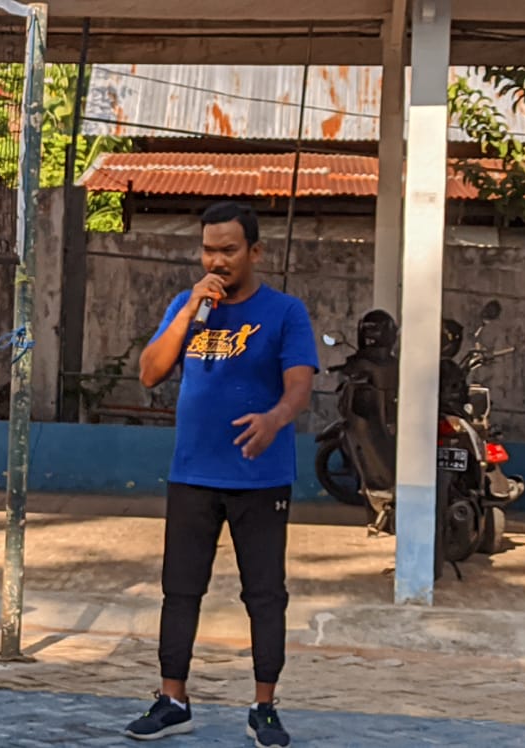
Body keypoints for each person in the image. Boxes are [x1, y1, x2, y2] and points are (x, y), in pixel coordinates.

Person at [124, 201, 318, 747]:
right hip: (193, 473)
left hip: (260, 476)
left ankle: (264, 707)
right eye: (209, 250)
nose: (217, 260)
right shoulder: (188, 306)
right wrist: (189, 310)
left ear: (255, 252)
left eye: (229, 250)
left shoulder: (285, 312)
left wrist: (274, 419)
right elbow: (149, 373)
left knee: (265, 594)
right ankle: (173, 700)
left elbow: (300, 386)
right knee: (180, 590)